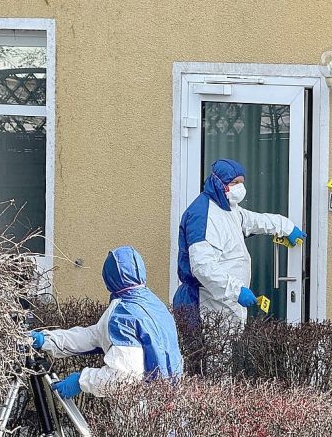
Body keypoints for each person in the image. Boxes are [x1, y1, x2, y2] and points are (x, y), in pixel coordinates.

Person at [29, 246, 183, 399]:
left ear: (108, 279)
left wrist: (82, 380)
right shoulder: (154, 305)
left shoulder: (123, 315)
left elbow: (123, 379)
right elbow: (94, 336)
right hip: (170, 401)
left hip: (142, 407)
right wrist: (46, 340)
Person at [173, 158, 306, 323]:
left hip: (223, 302)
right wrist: (236, 291)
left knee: (224, 347)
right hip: (204, 303)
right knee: (209, 349)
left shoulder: (228, 208)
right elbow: (202, 267)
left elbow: (253, 221)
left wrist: (286, 227)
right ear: (218, 182)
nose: (240, 187)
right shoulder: (203, 216)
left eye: (242, 182)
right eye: (235, 182)